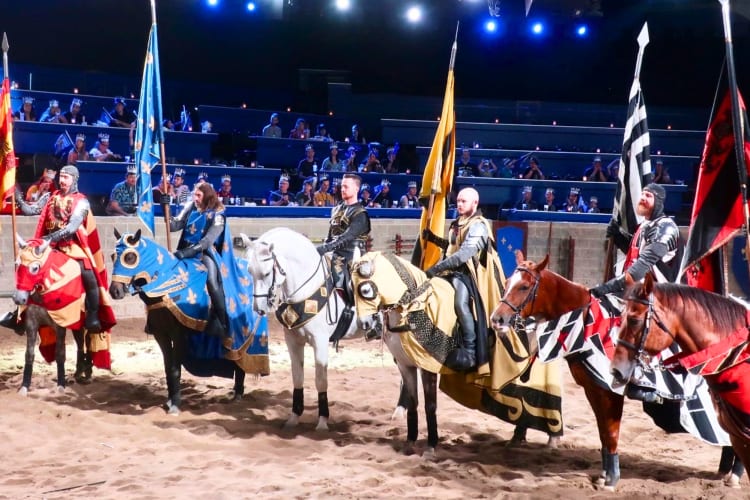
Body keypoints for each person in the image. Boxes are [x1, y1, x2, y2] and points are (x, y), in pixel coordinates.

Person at [590, 183, 680, 401]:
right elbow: (635, 254)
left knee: (639, 325)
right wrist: (620, 238)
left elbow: (640, 268)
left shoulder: (667, 228)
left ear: (658, 200)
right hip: (639, 293)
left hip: (662, 296)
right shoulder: (644, 227)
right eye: (642, 194)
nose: (643, 198)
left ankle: (650, 382)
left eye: (648, 195)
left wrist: (605, 288)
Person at [10, 165, 109, 333]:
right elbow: (31, 210)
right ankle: (18, 316)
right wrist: (18, 198)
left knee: (89, 274)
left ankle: (92, 315)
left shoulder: (81, 202)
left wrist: (49, 238)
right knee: (28, 267)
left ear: (74, 180)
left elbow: (71, 228)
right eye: (61, 177)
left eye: (66, 177)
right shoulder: (50, 197)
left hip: (70, 246)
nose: (62, 180)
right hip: (48, 248)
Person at [421, 187, 503, 372]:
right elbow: (452, 247)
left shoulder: (479, 226)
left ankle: (470, 350)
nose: (459, 204)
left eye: (463, 201)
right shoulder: (457, 223)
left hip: (466, 274)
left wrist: (436, 268)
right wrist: (433, 239)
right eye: (458, 200)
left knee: (460, 303)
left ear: (475, 203)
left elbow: (463, 255)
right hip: (449, 270)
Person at [169, 183, 231, 338]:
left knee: (211, 280)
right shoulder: (191, 207)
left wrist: (190, 251)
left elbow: (208, 240)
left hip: (204, 252)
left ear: (207, 196)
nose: (195, 198)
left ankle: (222, 321)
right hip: (184, 249)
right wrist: (165, 210)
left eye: (198, 195)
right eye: (194, 195)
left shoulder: (218, 212)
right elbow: (175, 225)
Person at [316, 174, 371, 337]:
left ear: (356, 189)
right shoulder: (336, 208)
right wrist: (325, 244)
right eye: (342, 186)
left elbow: (347, 237)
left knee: (353, 283)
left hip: (352, 254)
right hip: (334, 253)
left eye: (346, 186)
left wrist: (327, 247)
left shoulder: (361, 213)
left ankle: (366, 315)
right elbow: (331, 234)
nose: (342, 189)